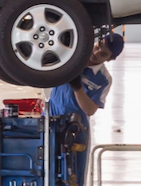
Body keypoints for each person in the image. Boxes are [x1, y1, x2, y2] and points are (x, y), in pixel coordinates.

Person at [47, 32, 125, 186]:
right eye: (98, 45)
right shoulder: (71, 56)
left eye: (103, 54)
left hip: (75, 129)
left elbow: (90, 110)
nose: (96, 53)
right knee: (46, 169)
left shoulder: (103, 79)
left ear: (110, 59)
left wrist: (78, 88)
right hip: (51, 119)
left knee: (72, 175)